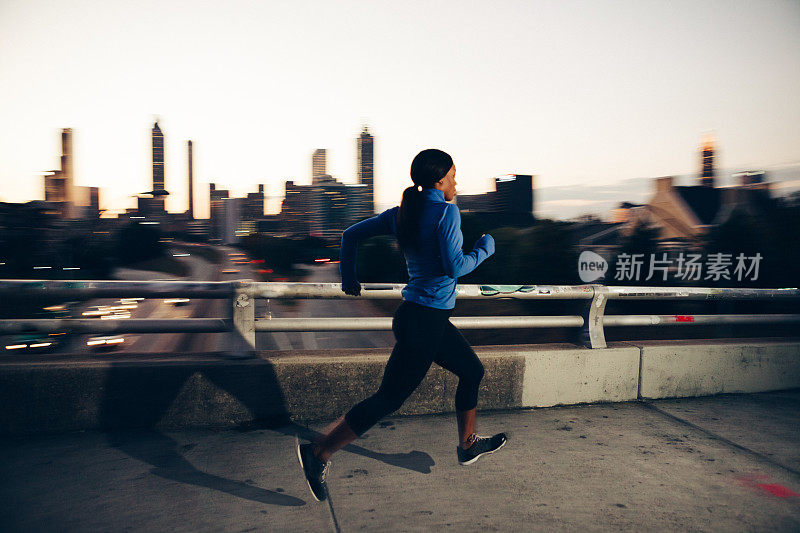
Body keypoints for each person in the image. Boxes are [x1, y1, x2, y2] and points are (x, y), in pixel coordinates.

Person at [297, 148, 506, 502]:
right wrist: (485, 248)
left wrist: (350, 279)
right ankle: (318, 453)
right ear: (440, 180)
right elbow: (456, 267)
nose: (457, 181)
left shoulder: (403, 212)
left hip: (424, 318)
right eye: (454, 175)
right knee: (388, 399)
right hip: (423, 322)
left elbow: (350, 236)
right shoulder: (446, 212)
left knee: (472, 371)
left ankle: (468, 445)